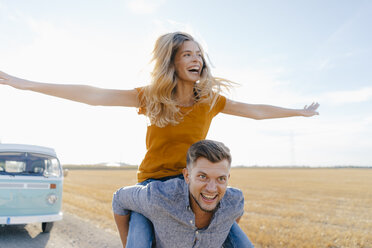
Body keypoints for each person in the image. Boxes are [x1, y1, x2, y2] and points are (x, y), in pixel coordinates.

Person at [0, 31, 319, 247]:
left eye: (200, 55)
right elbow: (94, 95)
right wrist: (25, 84)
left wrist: (298, 113)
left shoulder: (210, 101)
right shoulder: (151, 97)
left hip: (192, 187)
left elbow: (256, 111)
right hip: (150, 189)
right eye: (188, 55)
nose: (198, 60)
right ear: (172, 61)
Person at [113, 139, 254, 248]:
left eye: (220, 179)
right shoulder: (159, 197)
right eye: (202, 176)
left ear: (227, 179)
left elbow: (233, 216)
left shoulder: (234, 201)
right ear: (187, 176)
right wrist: (129, 243)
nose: (211, 188)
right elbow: (119, 198)